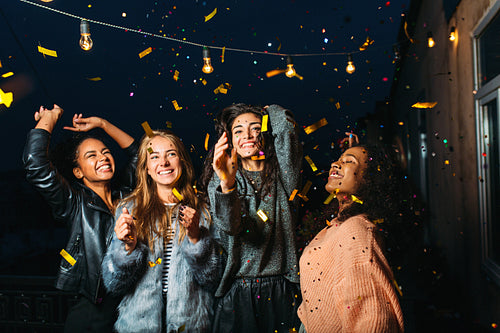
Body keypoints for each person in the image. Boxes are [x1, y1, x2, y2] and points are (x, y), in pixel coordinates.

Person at [22, 105, 138, 332]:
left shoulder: (125, 194)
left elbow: (139, 154)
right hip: (94, 309)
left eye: (106, 152)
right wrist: (49, 119)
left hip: (131, 306)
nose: (103, 158)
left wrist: (103, 124)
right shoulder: (74, 201)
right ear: (78, 172)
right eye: (91, 155)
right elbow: (35, 163)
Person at [101, 130, 220, 333]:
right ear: (146, 168)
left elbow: (213, 280)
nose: (163, 162)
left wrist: (195, 238)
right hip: (137, 326)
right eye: (154, 156)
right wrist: (128, 248)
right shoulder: (129, 208)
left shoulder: (204, 209)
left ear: (182, 160)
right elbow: (114, 285)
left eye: (171, 154)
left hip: (189, 326)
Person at [199, 103, 302, 332]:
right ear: (229, 140)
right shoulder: (223, 178)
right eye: (238, 131)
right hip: (239, 289)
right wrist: (227, 184)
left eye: (255, 128)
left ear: (266, 133)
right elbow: (232, 227)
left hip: (282, 286)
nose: (247, 135)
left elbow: (287, 130)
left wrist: (270, 110)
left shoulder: (284, 178)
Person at [297, 144, 405, 333]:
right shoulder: (339, 223)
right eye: (338, 159)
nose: (335, 164)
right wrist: (352, 154)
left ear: (369, 180)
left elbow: (373, 320)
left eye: (348, 161)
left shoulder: (356, 230)